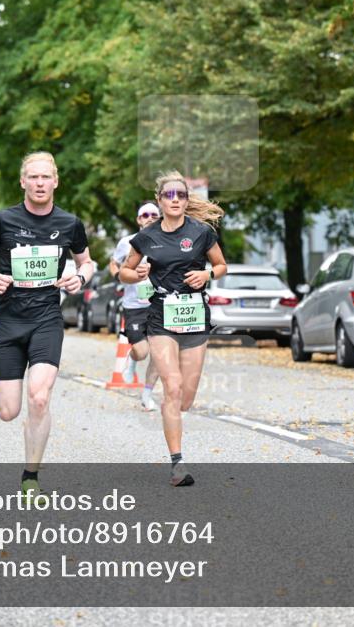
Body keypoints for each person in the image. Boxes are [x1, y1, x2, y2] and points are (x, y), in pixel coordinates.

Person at [0, 151, 94, 502]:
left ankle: (30, 476)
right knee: (9, 412)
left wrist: (80, 278)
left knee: (39, 397)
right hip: (9, 320)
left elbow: (87, 261)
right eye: (33, 177)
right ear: (23, 181)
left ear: (56, 182)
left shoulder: (69, 223)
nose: (40, 183)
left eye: (45, 177)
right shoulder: (3, 219)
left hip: (46, 319)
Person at [119, 171, 227, 487]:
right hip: (161, 317)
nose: (175, 199)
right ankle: (177, 464)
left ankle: (174, 416)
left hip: (194, 316)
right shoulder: (146, 236)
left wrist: (207, 276)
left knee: (186, 398)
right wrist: (137, 274)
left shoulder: (201, 232)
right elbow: (124, 272)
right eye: (169, 195)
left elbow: (221, 266)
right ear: (160, 200)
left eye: (180, 194)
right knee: (173, 387)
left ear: (186, 199)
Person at [109, 202, 163, 411]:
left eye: (154, 215)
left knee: (158, 353)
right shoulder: (127, 242)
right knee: (142, 351)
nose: (149, 218)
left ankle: (147, 395)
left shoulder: (166, 241)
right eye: (145, 215)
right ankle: (132, 361)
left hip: (159, 303)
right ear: (139, 219)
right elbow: (114, 262)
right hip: (134, 305)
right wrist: (119, 275)